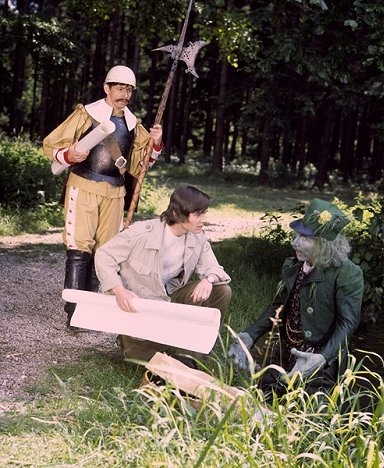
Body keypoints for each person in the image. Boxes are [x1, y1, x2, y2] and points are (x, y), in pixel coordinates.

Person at [43, 65, 164, 330]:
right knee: (79, 250)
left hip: (115, 192)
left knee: (104, 252)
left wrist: (155, 144)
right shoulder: (86, 114)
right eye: (120, 88)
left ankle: (89, 309)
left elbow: (138, 167)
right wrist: (68, 155)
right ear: (107, 88)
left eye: (129, 90)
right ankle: (74, 312)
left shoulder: (135, 125)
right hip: (83, 185)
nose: (124, 94)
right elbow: (51, 143)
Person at [228, 198, 363, 397]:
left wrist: (323, 358)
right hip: (284, 351)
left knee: (308, 412)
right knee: (263, 400)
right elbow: (279, 306)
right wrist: (249, 335)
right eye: (297, 235)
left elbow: (348, 322)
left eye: (305, 238)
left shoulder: (347, 274)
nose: (294, 242)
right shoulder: (294, 265)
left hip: (318, 360)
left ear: (324, 244)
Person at [94, 185, 232, 363]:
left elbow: (213, 267)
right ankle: (129, 339)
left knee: (221, 290)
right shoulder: (141, 233)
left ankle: (192, 357)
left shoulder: (197, 237)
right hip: (140, 308)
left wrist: (209, 279)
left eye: (204, 213)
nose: (203, 219)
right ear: (176, 214)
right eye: (198, 214)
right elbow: (104, 255)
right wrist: (119, 291)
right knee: (140, 359)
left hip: (169, 300)